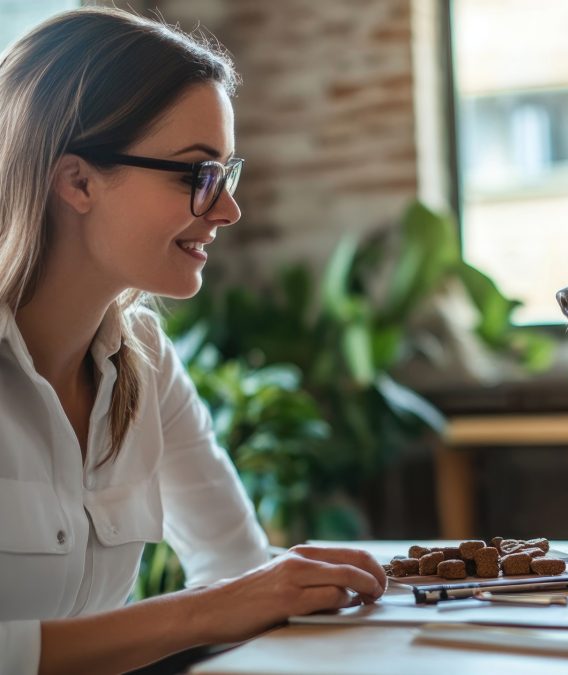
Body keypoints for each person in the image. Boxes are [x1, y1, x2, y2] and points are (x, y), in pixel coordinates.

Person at [0, 8, 386, 674]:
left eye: (226, 174)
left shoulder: (143, 359)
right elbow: (232, 596)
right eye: (196, 174)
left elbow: (236, 566)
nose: (228, 209)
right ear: (77, 181)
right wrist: (215, 607)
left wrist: (280, 588)